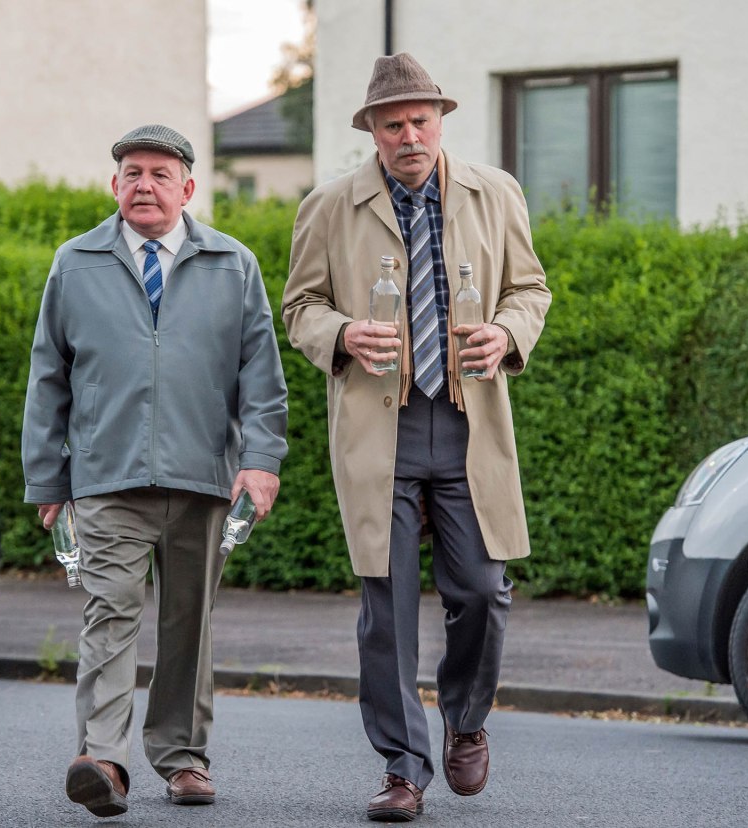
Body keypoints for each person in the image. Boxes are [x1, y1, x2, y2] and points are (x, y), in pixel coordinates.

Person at [282, 53, 550, 822]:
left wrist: (506, 332)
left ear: (441, 121)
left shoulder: (495, 193)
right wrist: (340, 334)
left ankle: (466, 721)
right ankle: (403, 768)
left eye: (420, 120)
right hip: (379, 433)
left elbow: (530, 287)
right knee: (387, 609)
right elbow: (299, 305)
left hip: (468, 426)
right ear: (371, 130)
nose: (409, 135)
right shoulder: (328, 208)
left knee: (483, 592)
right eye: (392, 123)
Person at [22, 124, 288, 818]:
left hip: (204, 478)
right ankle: (103, 759)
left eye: (160, 174)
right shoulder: (74, 262)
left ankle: (182, 757)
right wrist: (48, 478)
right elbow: (48, 376)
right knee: (110, 612)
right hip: (107, 478)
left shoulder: (233, 264)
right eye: (132, 173)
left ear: (188, 188)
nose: (145, 184)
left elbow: (261, 375)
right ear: (115, 185)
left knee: (187, 624)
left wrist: (261, 461)